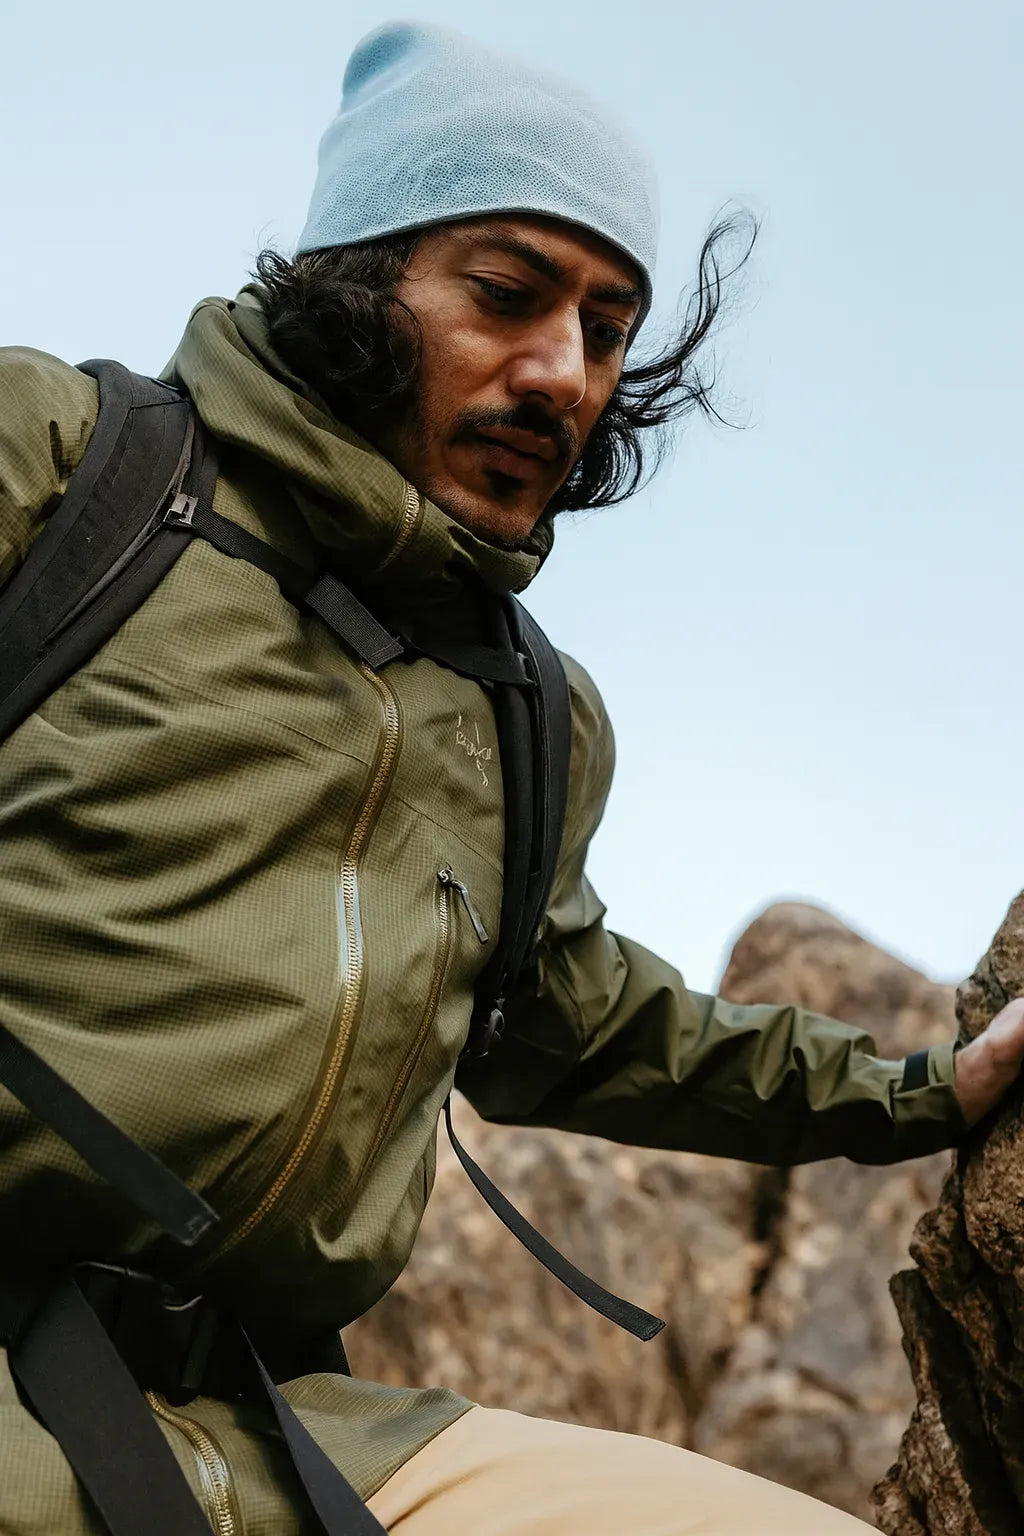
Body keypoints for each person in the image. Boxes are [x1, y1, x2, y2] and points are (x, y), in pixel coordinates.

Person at [0, 20, 1020, 1536]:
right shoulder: (70, 464)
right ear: (357, 284)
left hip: (287, 1431)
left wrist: (929, 1090)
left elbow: (598, 1026)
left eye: (608, 329)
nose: (565, 371)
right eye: (506, 293)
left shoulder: (532, 718)